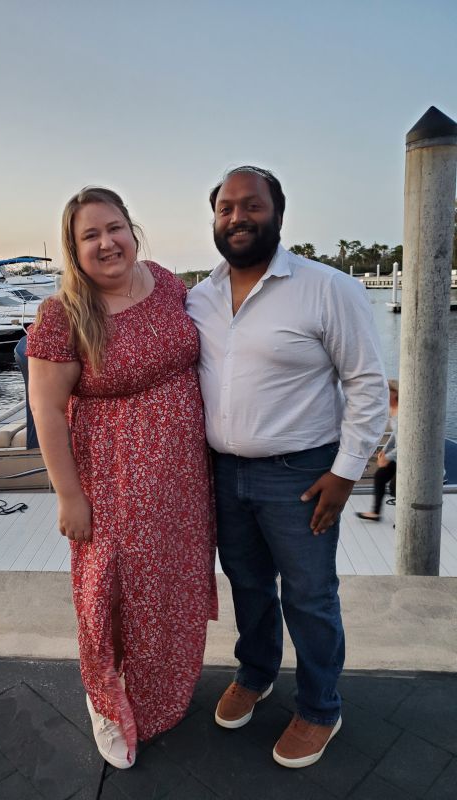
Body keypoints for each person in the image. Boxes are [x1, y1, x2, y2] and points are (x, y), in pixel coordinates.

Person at [186, 166, 388, 769]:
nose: (237, 217)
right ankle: (256, 672)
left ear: (278, 211)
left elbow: (367, 386)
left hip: (300, 474)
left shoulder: (327, 288)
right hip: (224, 472)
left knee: (310, 595)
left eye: (251, 205)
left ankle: (321, 706)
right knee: (246, 584)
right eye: (225, 208)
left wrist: (346, 472)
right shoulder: (199, 296)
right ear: (214, 218)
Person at [26, 187, 217, 770]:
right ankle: (106, 700)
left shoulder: (166, 283)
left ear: (133, 230)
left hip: (183, 478)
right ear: (74, 248)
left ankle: (160, 698)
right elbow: (47, 412)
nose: (106, 242)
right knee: (107, 596)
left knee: (169, 589)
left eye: (114, 228)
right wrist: (68, 496)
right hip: (110, 480)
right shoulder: (62, 314)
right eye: (90, 235)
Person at [357, 379, 399, 521]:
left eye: (387, 391)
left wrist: (388, 457)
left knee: (396, 488)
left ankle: (407, 519)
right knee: (380, 476)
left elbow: (408, 442)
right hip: (399, 455)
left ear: (396, 392)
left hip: (411, 458)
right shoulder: (392, 409)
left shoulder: (405, 411)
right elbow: (395, 434)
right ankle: (376, 513)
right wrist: (385, 451)